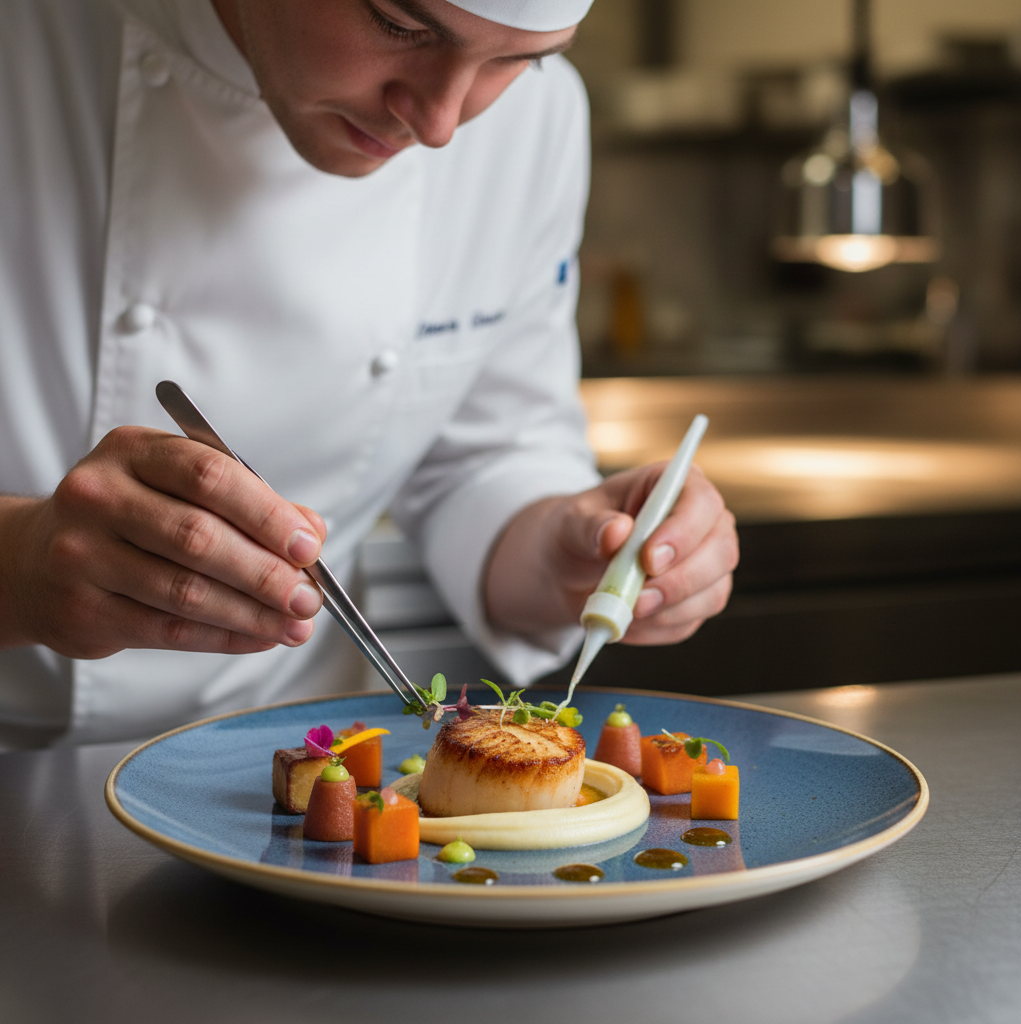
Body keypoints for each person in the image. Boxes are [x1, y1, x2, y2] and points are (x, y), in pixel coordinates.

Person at [0, 0, 738, 749]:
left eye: (520, 57)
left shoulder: (535, 120)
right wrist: (18, 567)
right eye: (399, 25)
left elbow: (484, 455)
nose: (440, 123)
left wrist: (567, 552)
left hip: (285, 763)